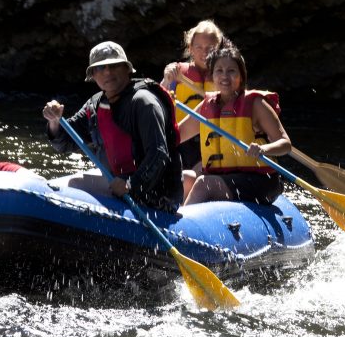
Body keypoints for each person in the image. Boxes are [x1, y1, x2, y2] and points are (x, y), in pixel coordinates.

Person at [42, 41, 183, 212]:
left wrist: (130, 185)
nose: (107, 72)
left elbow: (158, 154)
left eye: (114, 66)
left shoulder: (144, 102)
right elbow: (64, 142)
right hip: (120, 184)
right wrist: (54, 121)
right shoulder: (95, 105)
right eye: (100, 68)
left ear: (127, 69)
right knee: (74, 184)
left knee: (77, 186)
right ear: (93, 75)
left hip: (155, 196)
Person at [176, 43, 291, 206]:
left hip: (260, 181)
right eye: (219, 71)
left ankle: (182, 228)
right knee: (184, 178)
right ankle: (164, 223)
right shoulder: (206, 106)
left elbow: (285, 144)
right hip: (223, 177)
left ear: (241, 76)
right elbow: (176, 135)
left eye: (231, 71)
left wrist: (263, 149)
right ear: (212, 76)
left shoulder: (255, 104)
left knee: (203, 184)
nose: (224, 76)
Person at [160, 19, 228, 171]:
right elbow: (156, 102)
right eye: (199, 47)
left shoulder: (226, 77)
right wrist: (167, 80)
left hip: (213, 142)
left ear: (218, 49)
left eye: (210, 48)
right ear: (190, 48)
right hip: (181, 139)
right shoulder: (178, 73)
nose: (204, 52)